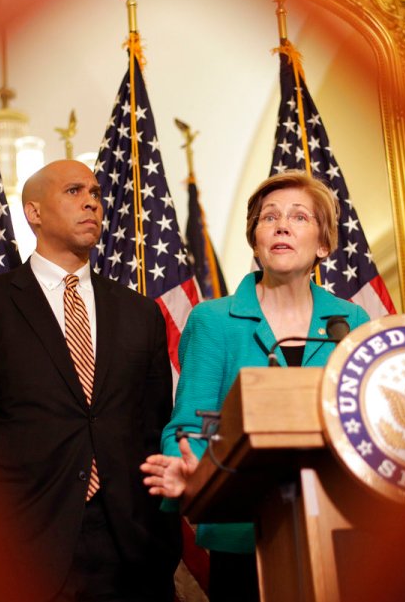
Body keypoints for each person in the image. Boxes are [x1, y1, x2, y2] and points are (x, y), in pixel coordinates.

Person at [0, 160, 181, 602]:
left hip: (132, 551)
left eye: (96, 193)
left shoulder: (140, 313)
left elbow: (155, 431)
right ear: (34, 212)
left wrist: (162, 541)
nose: (91, 203)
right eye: (73, 191)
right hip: (21, 552)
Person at [141, 170, 370, 601]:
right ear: (256, 240)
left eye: (299, 217)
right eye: (270, 217)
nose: (282, 225)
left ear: (324, 244)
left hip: (337, 530)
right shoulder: (213, 321)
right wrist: (191, 471)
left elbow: (366, 423)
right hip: (242, 536)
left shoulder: (350, 321)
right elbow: (189, 424)